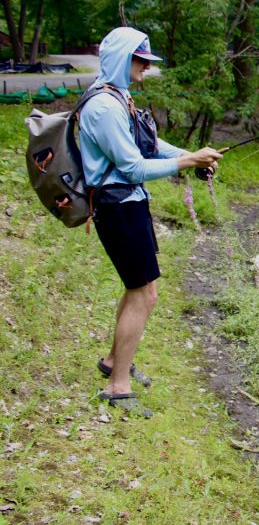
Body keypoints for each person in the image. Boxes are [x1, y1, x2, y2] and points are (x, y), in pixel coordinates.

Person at [79, 26, 222, 416]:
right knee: (144, 294)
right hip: (118, 208)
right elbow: (133, 166)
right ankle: (118, 386)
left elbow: (151, 146)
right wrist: (187, 163)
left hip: (130, 205)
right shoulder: (104, 107)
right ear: (123, 60)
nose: (146, 67)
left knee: (139, 289)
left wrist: (194, 154)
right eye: (141, 60)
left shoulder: (118, 97)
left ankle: (113, 361)